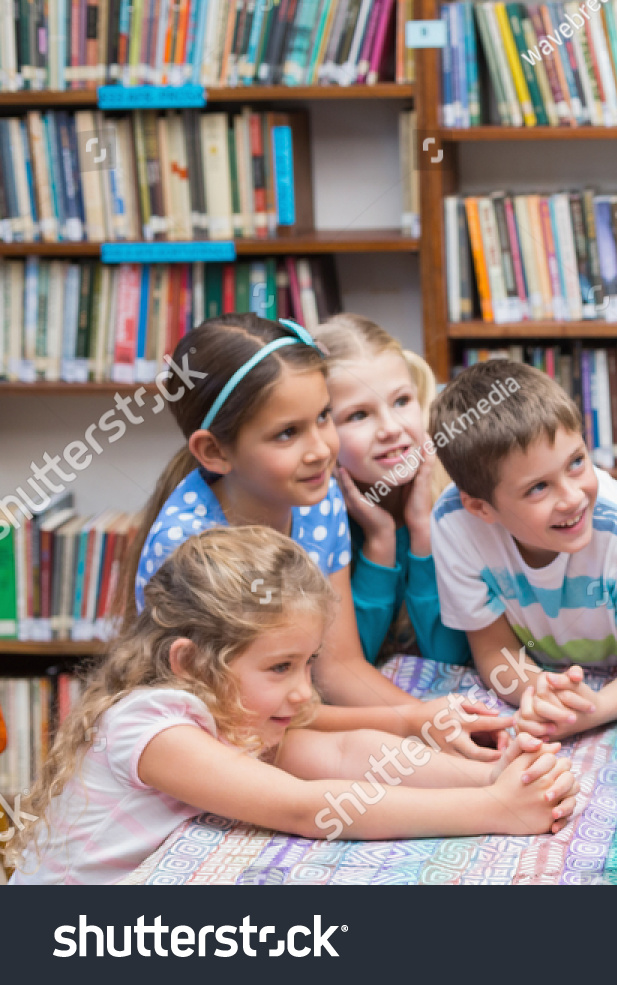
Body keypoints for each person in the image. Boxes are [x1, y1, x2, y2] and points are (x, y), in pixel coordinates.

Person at [6, 527, 576, 885]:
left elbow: (344, 752)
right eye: (281, 667)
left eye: (309, 663)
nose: (305, 691)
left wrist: (486, 775)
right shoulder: (151, 728)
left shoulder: (232, 709)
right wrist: (496, 812)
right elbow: (308, 808)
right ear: (188, 661)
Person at [120, 314, 505, 759]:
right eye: (288, 433)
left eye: (323, 417)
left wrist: (434, 721)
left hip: (284, 721)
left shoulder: (316, 499)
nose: (322, 448)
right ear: (214, 451)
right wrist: (408, 721)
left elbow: (339, 667)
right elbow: (240, 717)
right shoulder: (188, 552)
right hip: (216, 741)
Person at [429, 359, 617, 740]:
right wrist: (542, 695)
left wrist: (595, 708)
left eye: (577, 463)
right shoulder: (454, 524)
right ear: (481, 508)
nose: (572, 497)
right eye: (538, 488)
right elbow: (493, 650)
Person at [316, 313, 470, 667]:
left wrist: (422, 532)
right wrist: (381, 542)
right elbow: (347, 667)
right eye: (358, 415)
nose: (391, 428)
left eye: (401, 401)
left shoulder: (458, 492)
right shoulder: (318, 515)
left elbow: (451, 658)